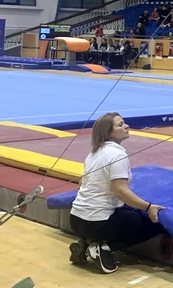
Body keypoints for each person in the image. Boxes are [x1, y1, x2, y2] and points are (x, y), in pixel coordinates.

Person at [69, 113, 165, 274]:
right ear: (109, 132)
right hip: (96, 224)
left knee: (127, 214)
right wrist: (148, 207)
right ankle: (103, 247)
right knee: (150, 225)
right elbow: (120, 190)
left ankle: (86, 242)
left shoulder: (93, 153)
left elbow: (81, 185)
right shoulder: (117, 155)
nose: (126, 126)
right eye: (120, 125)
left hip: (76, 220)